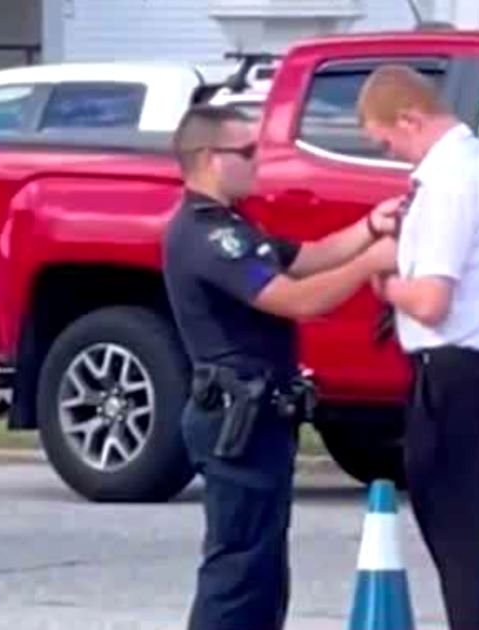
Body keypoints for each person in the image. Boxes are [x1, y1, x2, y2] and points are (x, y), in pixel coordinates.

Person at [161, 104, 401, 630]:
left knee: (263, 571)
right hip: (236, 418)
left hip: (259, 416)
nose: (257, 162)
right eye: (245, 152)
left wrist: (368, 227)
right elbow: (295, 299)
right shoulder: (208, 238)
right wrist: (368, 265)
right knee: (238, 572)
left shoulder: (233, 227)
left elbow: (309, 256)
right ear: (207, 158)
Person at [358, 64, 479, 629]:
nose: (392, 154)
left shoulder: (448, 183)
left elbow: (431, 300)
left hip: (458, 378)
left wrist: (384, 284)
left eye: (388, 140)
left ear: (410, 118)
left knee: (465, 545)